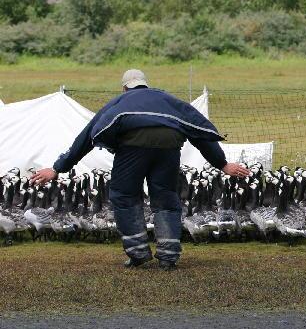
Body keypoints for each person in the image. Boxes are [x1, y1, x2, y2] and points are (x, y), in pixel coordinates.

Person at [29, 69, 250, 269]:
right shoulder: (168, 100)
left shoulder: (121, 102)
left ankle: (138, 253)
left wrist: (58, 168)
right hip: (169, 146)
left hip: (133, 148)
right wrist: (222, 164)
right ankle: (168, 255)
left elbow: (87, 137)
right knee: (165, 197)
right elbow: (199, 133)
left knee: (124, 196)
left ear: (125, 87)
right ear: (146, 84)